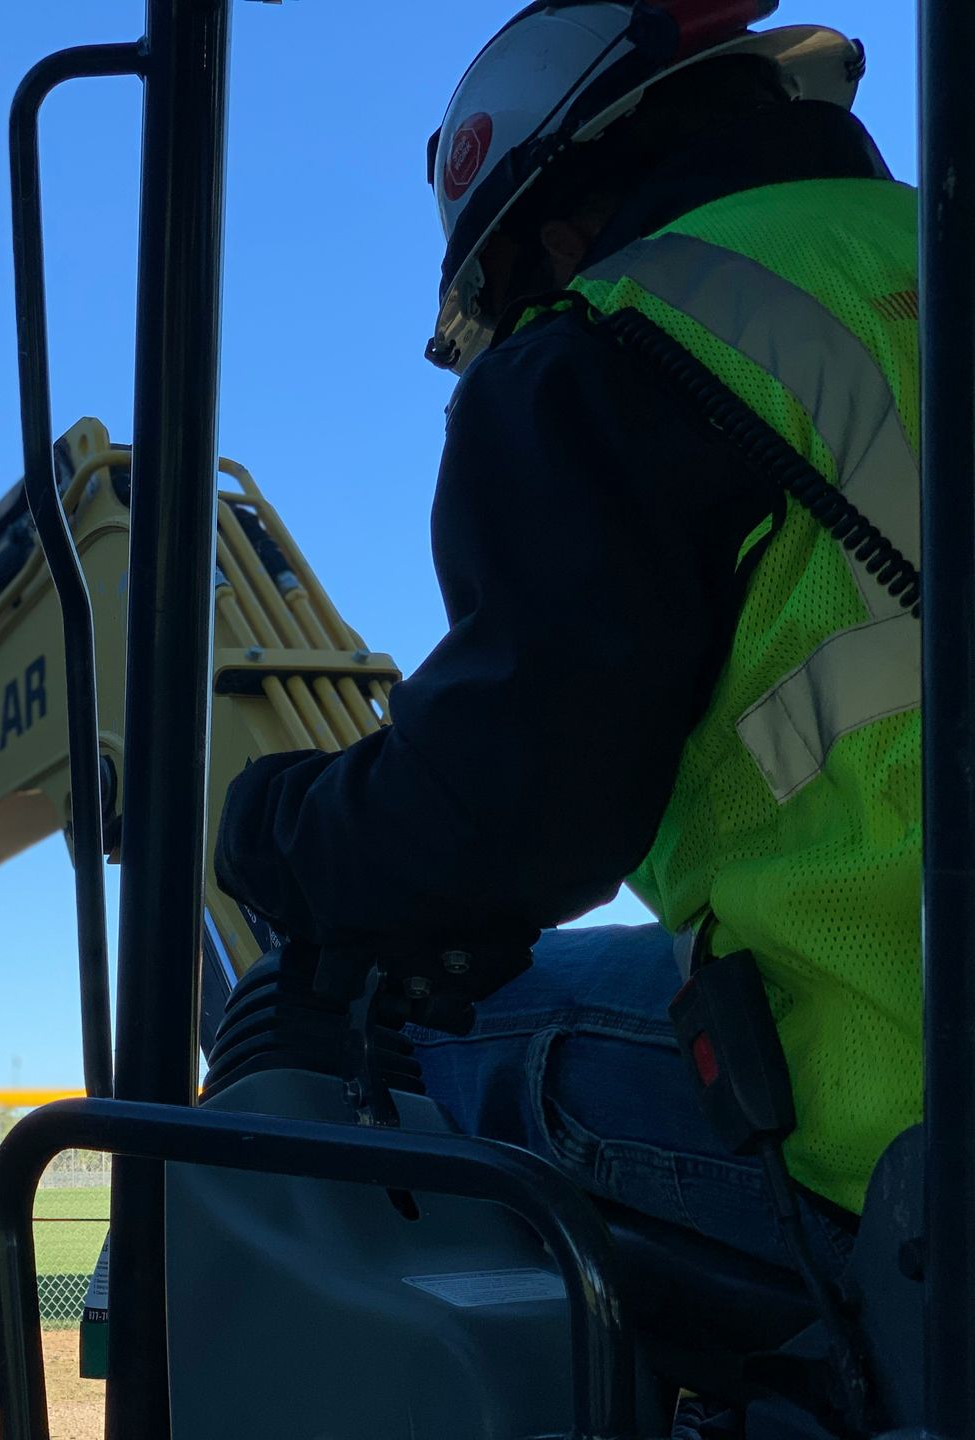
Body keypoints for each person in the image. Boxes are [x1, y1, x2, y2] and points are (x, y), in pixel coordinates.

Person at [215, 0, 918, 1288]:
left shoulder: (616, 340)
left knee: (378, 1035)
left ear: (552, 227)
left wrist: (270, 828)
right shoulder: (920, 253)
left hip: (893, 1093)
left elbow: (515, 808)